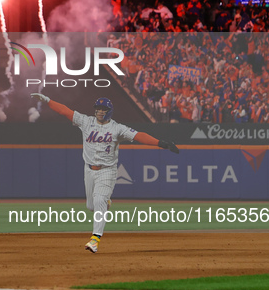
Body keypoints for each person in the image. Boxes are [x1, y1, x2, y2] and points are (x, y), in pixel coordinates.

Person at [30, 93, 180, 253]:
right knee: (91, 206)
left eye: (103, 109)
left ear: (109, 111)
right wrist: (47, 101)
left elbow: (138, 136)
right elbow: (65, 111)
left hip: (107, 171)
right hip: (89, 169)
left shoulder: (117, 128)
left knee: (100, 199)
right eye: (98, 108)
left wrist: (161, 143)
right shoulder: (86, 121)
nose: (100, 112)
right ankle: (105, 204)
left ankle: (95, 239)